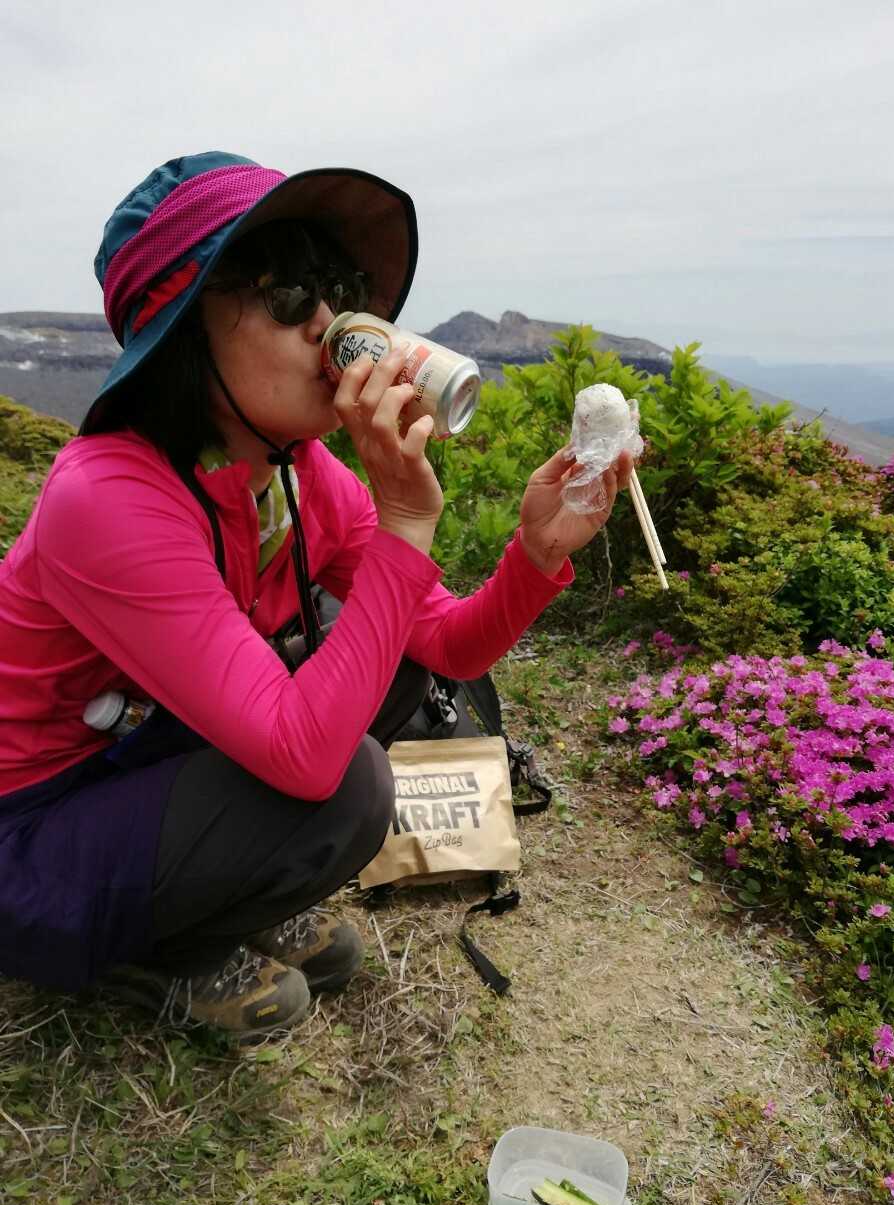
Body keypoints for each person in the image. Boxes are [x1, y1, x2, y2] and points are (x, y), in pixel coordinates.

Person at [0, 151, 631, 1041]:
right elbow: (304, 758)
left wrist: (536, 554)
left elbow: (446, 645)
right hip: (31, 824)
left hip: (141, 756)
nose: (332, 324)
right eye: (291, 294)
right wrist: (406, 520)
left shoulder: (300, 478)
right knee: (349, 787)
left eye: (338, 289)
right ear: (184, 328)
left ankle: (215, 895)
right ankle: (161, 948)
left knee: (391, 666)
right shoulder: (106, 497)